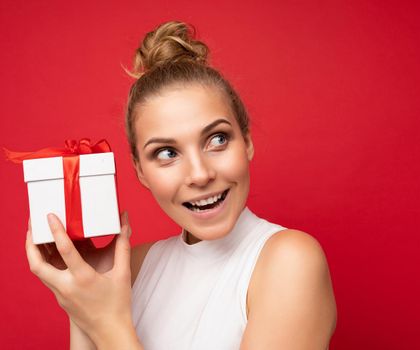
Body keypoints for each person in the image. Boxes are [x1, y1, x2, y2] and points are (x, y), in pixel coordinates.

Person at [25, 20, 337, 349]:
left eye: (217, 139)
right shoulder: (128, 268)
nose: (200, 174)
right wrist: (79, 296)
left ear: (246, 142)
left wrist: (106, 324)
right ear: (140, 171)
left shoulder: (290, 261)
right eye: (167, 152)